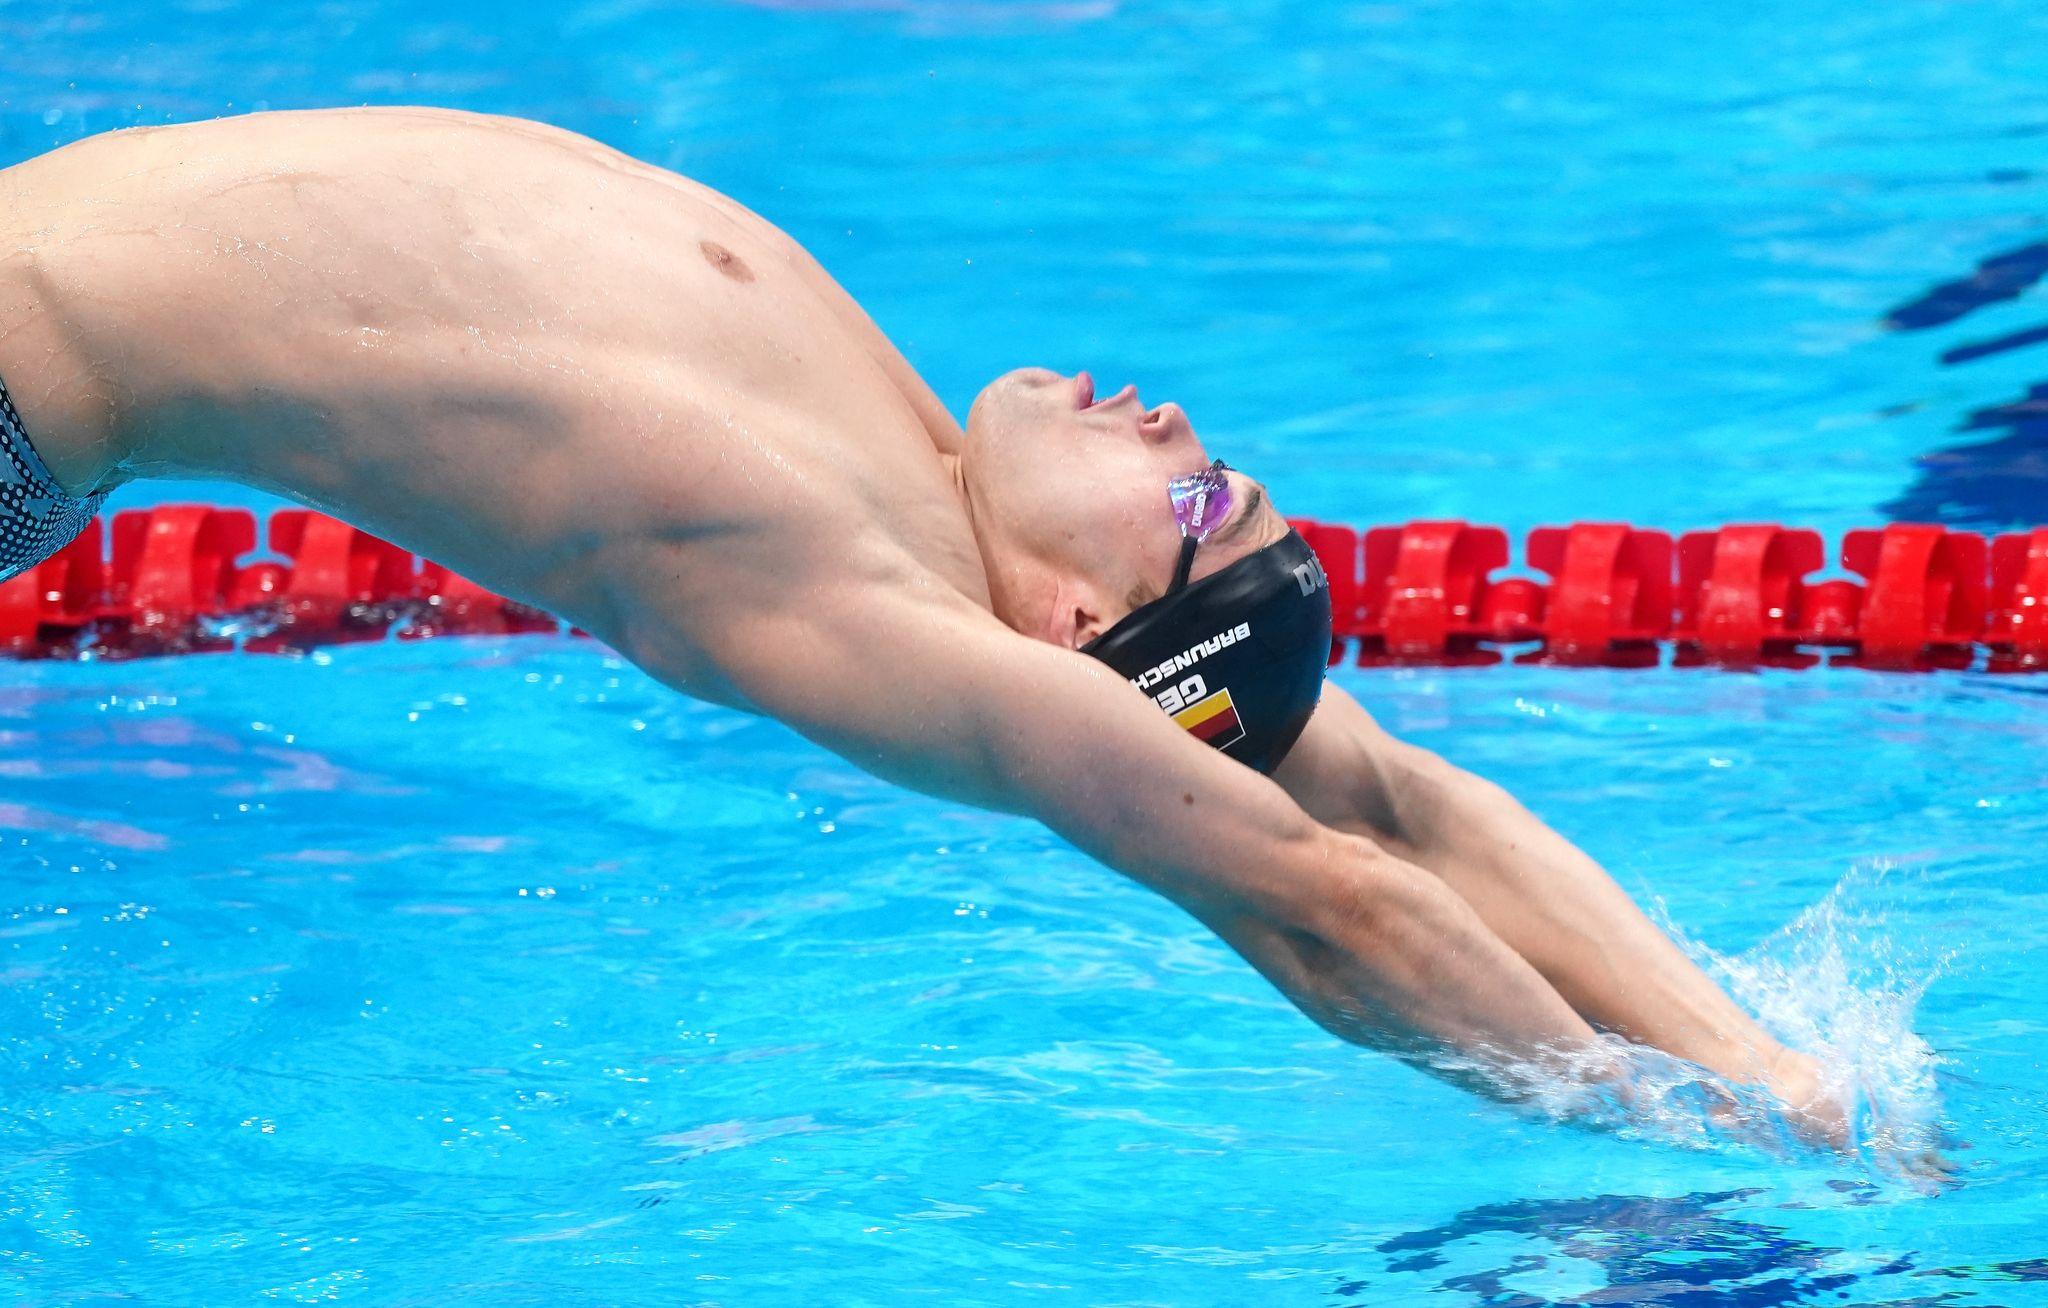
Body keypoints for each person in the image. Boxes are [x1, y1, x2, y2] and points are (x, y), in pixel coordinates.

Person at [0, 107, 1838, 1140]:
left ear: (1067, 616)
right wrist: (1779, 1077)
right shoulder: (943, 473)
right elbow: (1397, 804)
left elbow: (1320, 891)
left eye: (1200, 504)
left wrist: (1664, 1157)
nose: (1186, 430)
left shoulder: (840, 580)